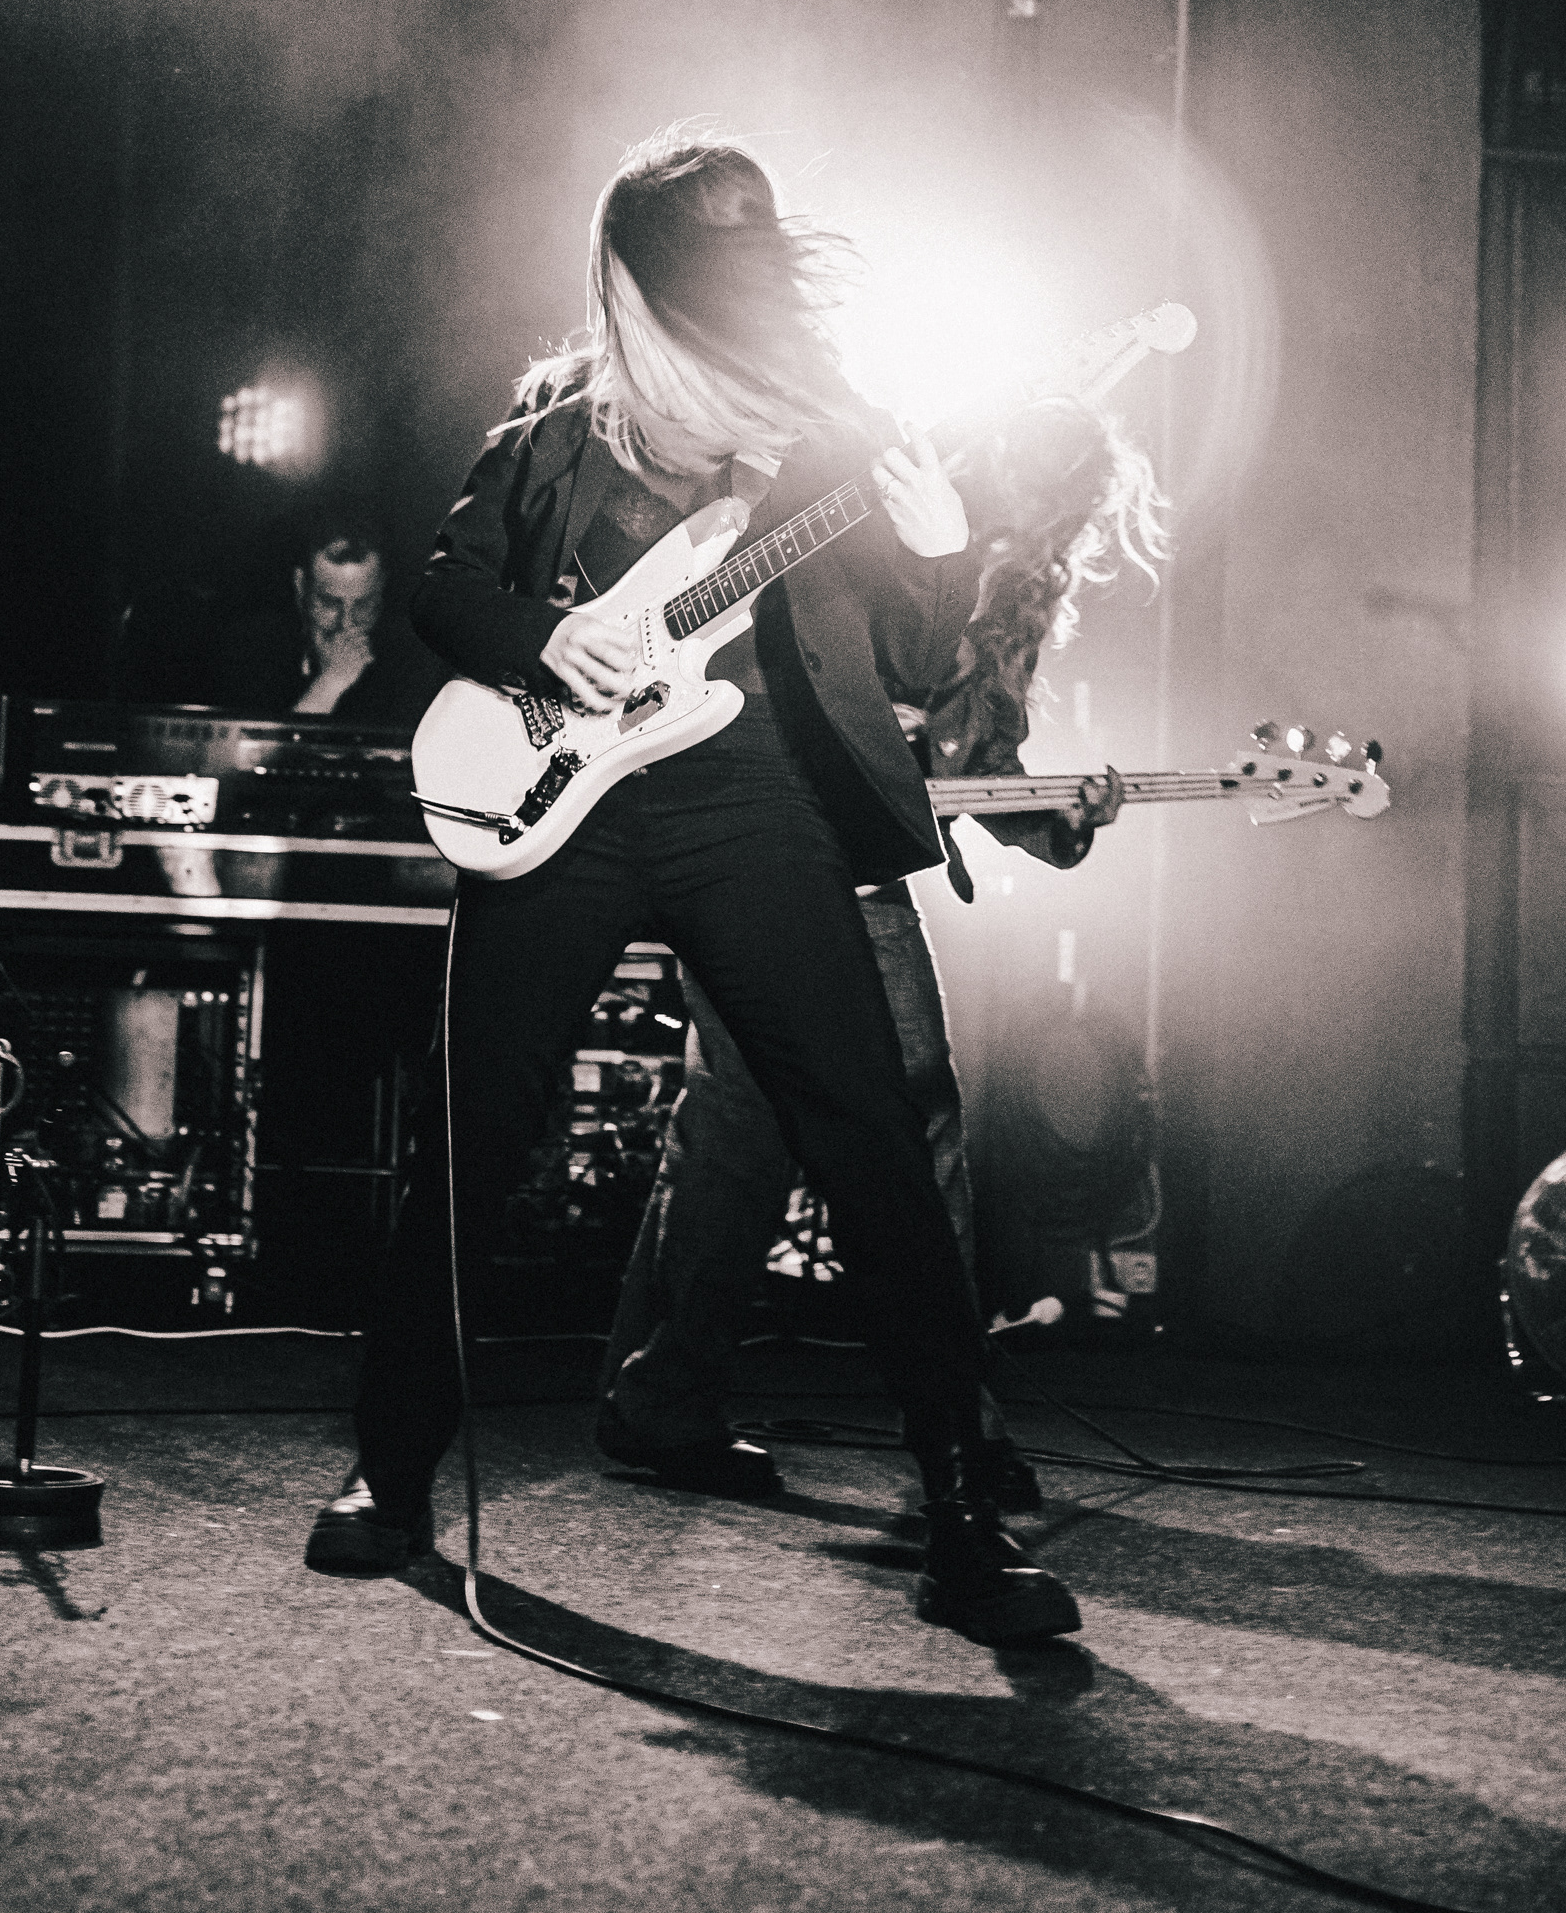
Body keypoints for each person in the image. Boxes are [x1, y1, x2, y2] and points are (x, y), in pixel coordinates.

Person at [304, 129, 1084, 1641]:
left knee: (865, 1132)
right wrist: (547, 639)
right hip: (571, 803)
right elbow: (444, 588)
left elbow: (912, 662)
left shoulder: (833, 429)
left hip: (753, 803)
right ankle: (388, 1469)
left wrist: (941, 553)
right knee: (471, 1131)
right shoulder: (557, 420)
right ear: (639, 274)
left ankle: (961, 1516)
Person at [597, 394, 1165, 1498]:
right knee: (896, 1118)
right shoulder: (881, 509)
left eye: (1059, 493)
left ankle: (664, 1399)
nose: (1038, 506)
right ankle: (957, 1433)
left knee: (737, 1133)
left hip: (842, 860)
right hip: (765, 827)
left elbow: (974, 773)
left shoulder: (1012, 600)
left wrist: (1063, 820)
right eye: (1036, 474)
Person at [212, 515, 434, 724]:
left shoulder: (411, 657)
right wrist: (331, 682)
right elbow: (252, 750)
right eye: (330, 603)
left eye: (362, 604)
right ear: (301, 586)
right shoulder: (250, 645)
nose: (346, 623)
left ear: (381, 589)